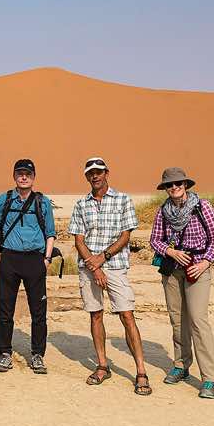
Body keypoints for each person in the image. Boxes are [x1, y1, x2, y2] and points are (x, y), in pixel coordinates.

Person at [68, 157, 152, 395]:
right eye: (90, 173)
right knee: (96, 315)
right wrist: (94, 267)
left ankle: (141, 371)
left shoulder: (123, 199)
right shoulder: (81, 204)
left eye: (98, 172)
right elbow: (78, 239)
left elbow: (126, 235)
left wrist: (102, 259)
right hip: (89, 267)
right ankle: (102, 365)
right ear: (87, 177)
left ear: (107, 173)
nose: (95, 176)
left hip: (114, 265)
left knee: (126, 314)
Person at [149, 167, 214, 399]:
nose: (174, 188)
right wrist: (170, 252)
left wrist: (205, 263)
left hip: (198, 269)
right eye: (169, 185)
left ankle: (211, 378)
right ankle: (181, 365)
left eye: (178, 184)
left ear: (186, 185)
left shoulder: (203, 207)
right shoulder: (163, 211)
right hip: (173, 270)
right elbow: (154, 239)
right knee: (177, 319)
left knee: (198, 320)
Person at [0, 159, 56, 375]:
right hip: (10, 259)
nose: (23, 177)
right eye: (20, 173)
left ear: (33, 177)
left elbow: (50, 233)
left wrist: (46, 259)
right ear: (14, 176)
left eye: (27, 174)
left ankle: (37, 355)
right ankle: (5, 354)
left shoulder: (42, 202)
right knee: (5, 310)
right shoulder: (4, 200)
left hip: (35, 260)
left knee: (39, 311)